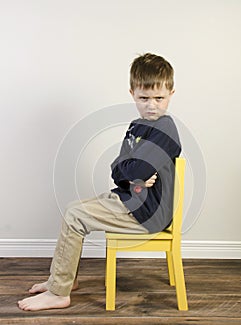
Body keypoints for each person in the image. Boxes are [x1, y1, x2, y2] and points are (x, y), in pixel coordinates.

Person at [18, 53, 181, 311]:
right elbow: (116, 169)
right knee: (74, 208)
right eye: (144, 98)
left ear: (171, 93)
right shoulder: (136, 127)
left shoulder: (165, 128)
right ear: (132, 93)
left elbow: (136, 166)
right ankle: (61, 282)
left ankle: (59, 292)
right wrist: (131, 173)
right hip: (130, 199)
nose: (152, 105)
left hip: (147, 213)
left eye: (159, 98)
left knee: (75, 215)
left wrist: (130, 170)